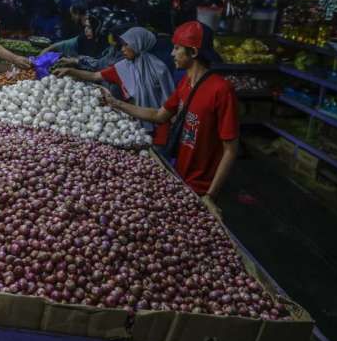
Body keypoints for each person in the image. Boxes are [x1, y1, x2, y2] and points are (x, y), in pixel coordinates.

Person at [100, 21, 239, 218]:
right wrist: (116, 104)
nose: (172, 53)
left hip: (203, 186)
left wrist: (210, 195)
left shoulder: (221, 90)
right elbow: (159, 115)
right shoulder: (185, 83)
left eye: (176, 48)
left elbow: (231, 149)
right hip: (181, 175)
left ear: (193, 52)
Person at [53, 27, 174, 145]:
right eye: (122, 45)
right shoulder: (123, 67)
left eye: (126, 45)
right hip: (135, 129)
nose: (122, 49)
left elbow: (170, 102)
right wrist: (70, 71)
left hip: (160, 129)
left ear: (138, 44)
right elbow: (95, 76)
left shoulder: (160, 70)